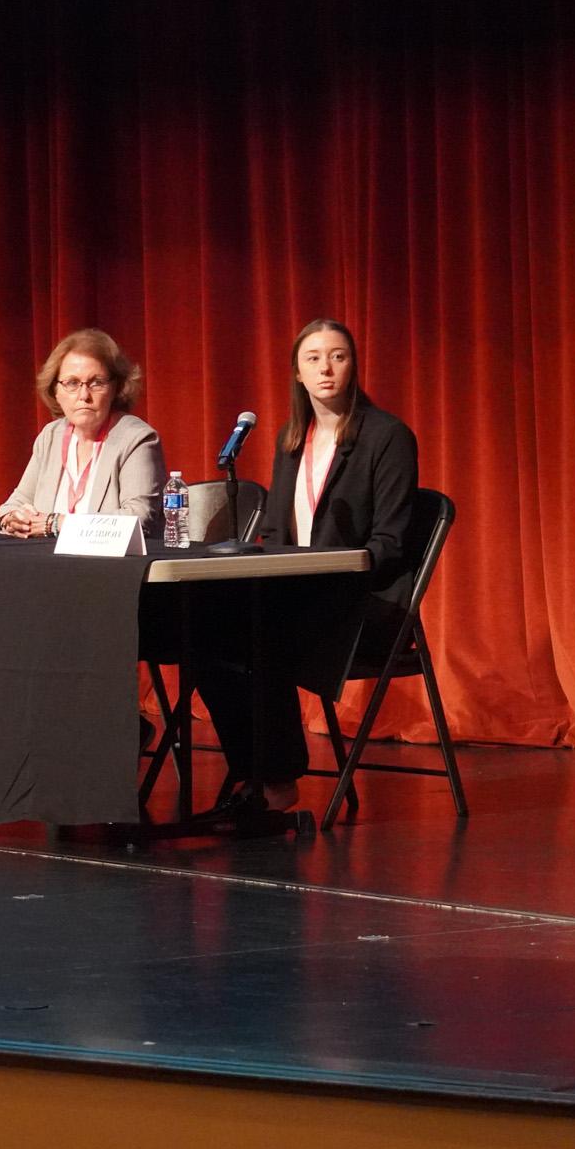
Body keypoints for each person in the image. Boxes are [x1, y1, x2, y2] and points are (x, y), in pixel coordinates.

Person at [196, 318, 420, 816]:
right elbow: (277, 535)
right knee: (207, 642)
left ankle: (275, 783)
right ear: (297, 373)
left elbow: (390, 544)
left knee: (261, 639)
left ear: (353, 365)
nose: (326, 368)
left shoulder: (388, 437)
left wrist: (321, 574)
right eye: (313, 358)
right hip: (300, 600)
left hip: (366, 605)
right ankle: (258, 772)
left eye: (338, 356)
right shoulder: (291, 439)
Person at [0, 328, 165, 539]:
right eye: (72, 383)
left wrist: (56, 524)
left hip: (111, 567)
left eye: (96, 383)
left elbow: (139, 519)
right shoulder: (51, 436)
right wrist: (14, 518)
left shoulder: (137, 439)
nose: (84, 395)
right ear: (56, 390)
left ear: (116, 388)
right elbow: (14, 504)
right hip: (47, 563)